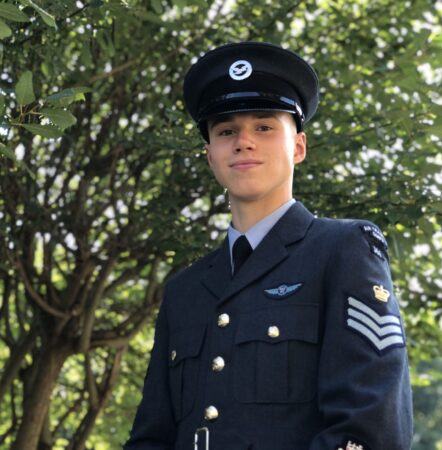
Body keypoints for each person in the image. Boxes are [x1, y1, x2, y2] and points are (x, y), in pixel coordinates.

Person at [124, 42, 413, 450]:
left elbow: (369, 427)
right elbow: (151, 438)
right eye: (226, 131)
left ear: (298, 147)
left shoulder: (343, 250)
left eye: (263, 127)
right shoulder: (183, 291)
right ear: (210, 156)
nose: (243, 142)